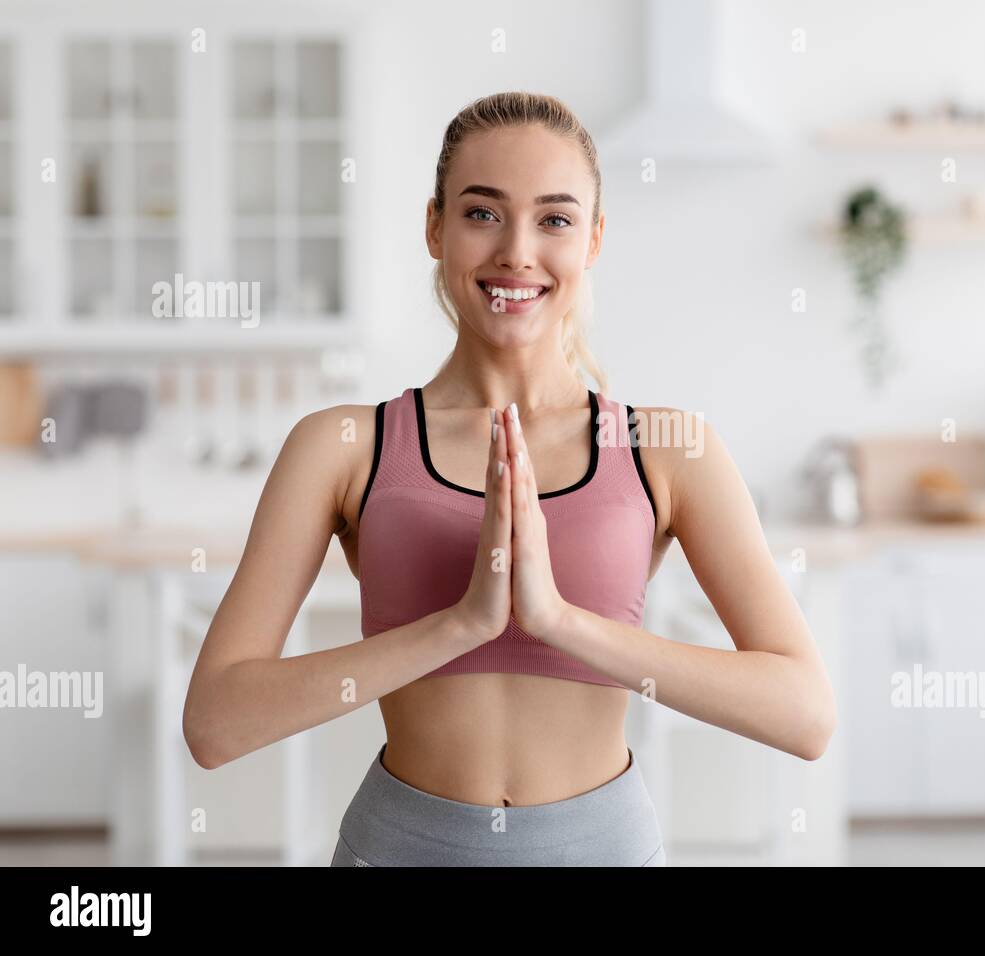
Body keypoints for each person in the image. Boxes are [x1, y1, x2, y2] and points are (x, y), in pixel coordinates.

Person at [182, 91, 835, 866]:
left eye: (554, 219)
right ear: (435, 227)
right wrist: (459, 625)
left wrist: (560, 621)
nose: (516, 252)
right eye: (483, 213)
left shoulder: (668, 448)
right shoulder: (344, 446)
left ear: (593, 239)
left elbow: (804, 716)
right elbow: (217, 725)